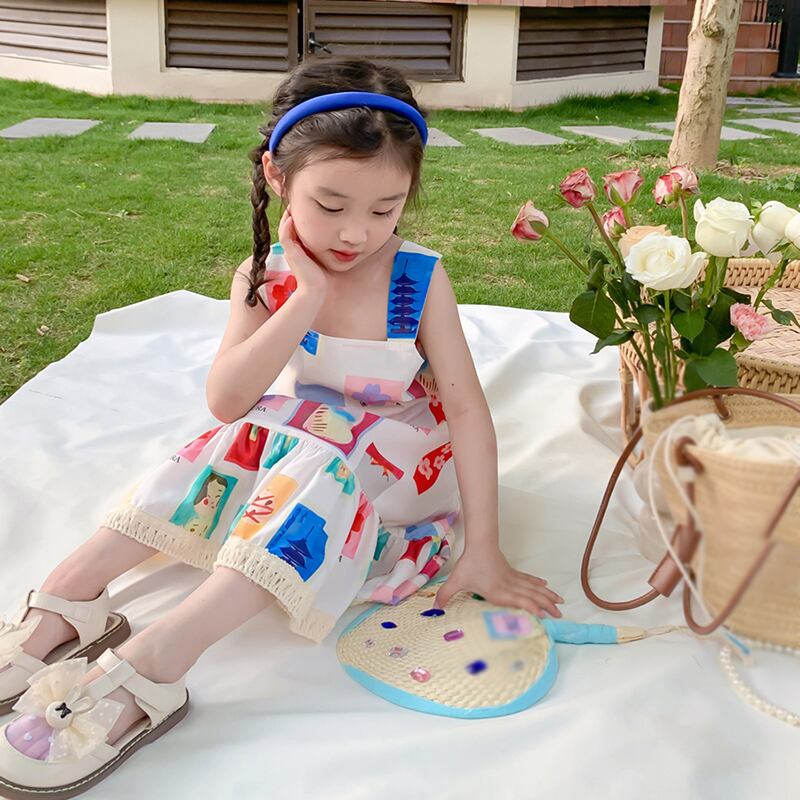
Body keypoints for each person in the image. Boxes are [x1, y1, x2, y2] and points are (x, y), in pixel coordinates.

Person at [0, 57, 563, 796]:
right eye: (330, 204)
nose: (356, 233)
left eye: (385, 209)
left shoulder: (418, 279)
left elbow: (466, 411)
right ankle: (73, 592)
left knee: (318, 457)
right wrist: (305, 297)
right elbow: (229, 400)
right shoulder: (264, 276)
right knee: (234, 439)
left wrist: (483, 549)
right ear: (276, 176)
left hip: (399, 463)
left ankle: (161, 657)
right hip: (307, 434)